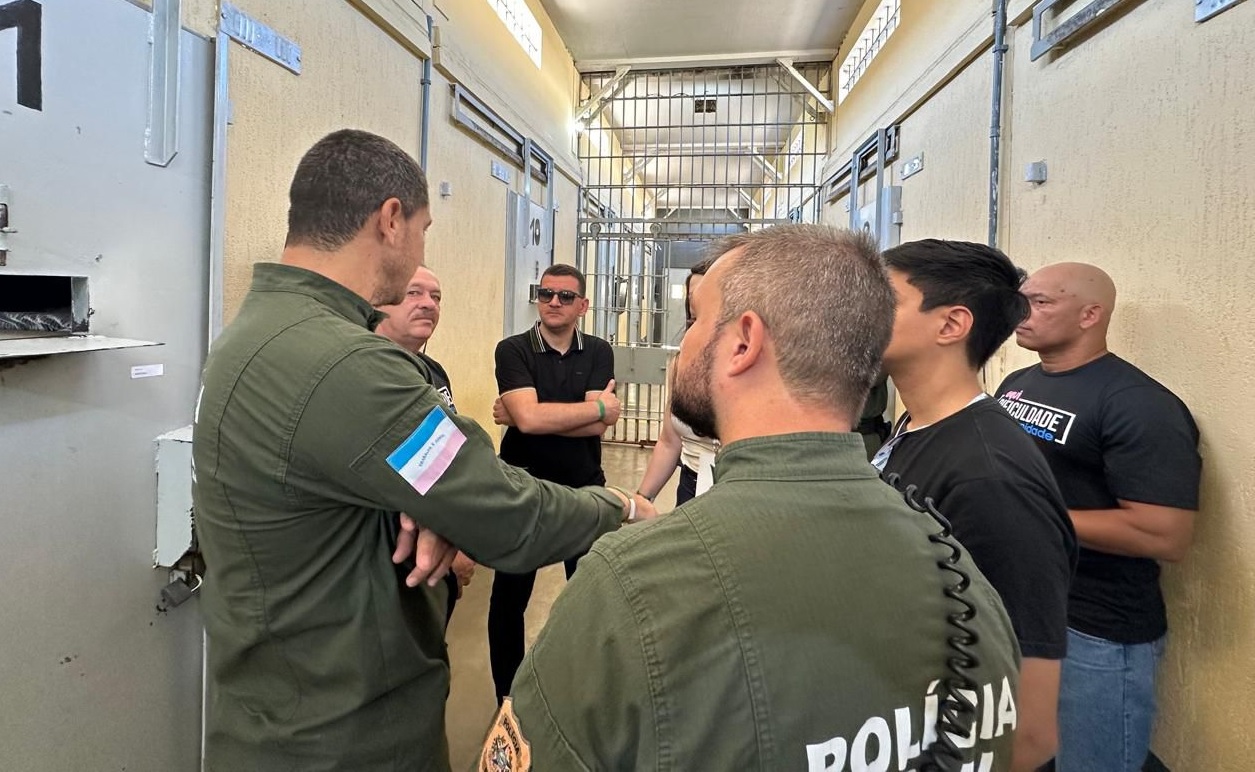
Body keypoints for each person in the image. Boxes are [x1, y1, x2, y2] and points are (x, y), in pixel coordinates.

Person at [480, 224, 1023, 771]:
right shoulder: (962, 580)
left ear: (743, 343)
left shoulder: (631, 585)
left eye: (696, 320)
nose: (685, 341)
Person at [192, 129, 651, 771]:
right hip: (349, 737)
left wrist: (433, 507)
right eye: (424, 230)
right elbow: (508, 515)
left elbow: (360, 479)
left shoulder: (256, 334)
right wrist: (619, 505)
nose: (421, 264)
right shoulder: (348, 366)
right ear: (390, 219)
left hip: (274, 712)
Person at [873, 239, 1077, 771]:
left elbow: (1029, 727)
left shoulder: (991, 478)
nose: (859, 310)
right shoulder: (916, 426)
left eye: (883, 298)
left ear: (951, 324)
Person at [996, 262, 1200, 772]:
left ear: (1090, 315)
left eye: (1041, 302)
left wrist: (1028, 516)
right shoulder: (1018, 384)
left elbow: (1165, 534)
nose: (1022, 311)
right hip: (1027, 610)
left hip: (1097, 632)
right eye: (1023, 298)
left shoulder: (1139, 404)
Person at [487, 263, 619, 705]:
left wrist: (531, 415)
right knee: (509, 600)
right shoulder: (513, 350)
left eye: (565, 296)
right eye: (545, 294)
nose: (554, 302)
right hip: (521, 490)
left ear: (583, 305)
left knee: (588, 598)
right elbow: (531, 419)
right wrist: (595, 409)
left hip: (585, 490)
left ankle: (581, 696)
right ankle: (507, 700)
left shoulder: (598, 351)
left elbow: (588, 429)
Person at [375, 264, 476, 622]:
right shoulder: (370, 374)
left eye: (436, 296)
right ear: (379, 302)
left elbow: (453, 458)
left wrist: (460, 535)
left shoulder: (434, 371)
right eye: (413, 292)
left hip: (439, 545)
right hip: (391, 551)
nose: (429, 304)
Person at [636, 257, 719, 505]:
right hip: (691, 484)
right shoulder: (681, 363)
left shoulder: (763, 370)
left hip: (735, 490)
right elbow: (669, 442)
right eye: (694, 317)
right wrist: (642, 500)